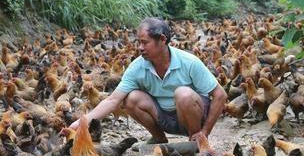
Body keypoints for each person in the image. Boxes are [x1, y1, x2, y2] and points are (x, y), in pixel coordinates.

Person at [70, 17, 227, 142]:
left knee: (183, 94)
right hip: (164, 118)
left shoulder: (189, 61)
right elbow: (112, 101)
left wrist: (205, 132)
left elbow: (220, 95)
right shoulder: (137, 67)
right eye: (139, 42)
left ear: (162, 40)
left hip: (193, 116)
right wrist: (82, 122)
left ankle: (196, 138)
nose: (140, 47)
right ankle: (159, 138)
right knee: (130, 98)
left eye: (145, 42)